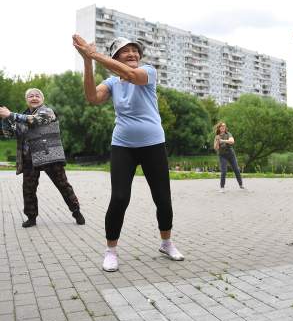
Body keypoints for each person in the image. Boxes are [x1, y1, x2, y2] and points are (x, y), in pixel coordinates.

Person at [73, 35, 184, 272]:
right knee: (120, 197)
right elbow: (93, 98)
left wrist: (94, 54)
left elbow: (133, 76)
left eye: (135, 51)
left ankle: (166, 243)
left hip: (153, 144)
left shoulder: (148, 72)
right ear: (115, 57)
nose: (132, 54)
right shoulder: (112, 83)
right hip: (123, 146)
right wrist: (86, 61)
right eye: (126, 51)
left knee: (162, 198)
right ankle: (111, 250)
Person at [0, 88, 84, 228]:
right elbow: (9, 134)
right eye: (30, 96)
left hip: (49, 155)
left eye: (37, 96)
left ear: (42, 99)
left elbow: (34, 121)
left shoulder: (47, 111)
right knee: (28, 189)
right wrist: (4, 118)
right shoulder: (21, 117)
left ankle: (76, 212)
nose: (34, 98)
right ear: (27, 100)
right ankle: (31, 217)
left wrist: (10, 114)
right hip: (29, 158)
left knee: (63, 185)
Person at [213, 122, 244, 192]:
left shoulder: (228, 134)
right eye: (222, 126)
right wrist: (218, 141)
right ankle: (222, 187)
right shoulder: (217, 136)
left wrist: (222, 140)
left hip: (231, 154)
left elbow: (232, 141)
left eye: (224, 126)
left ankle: (241, 185)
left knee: (236, 169)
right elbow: (216, 148)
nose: (223, 127)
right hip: (222, 155)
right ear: (219, 128)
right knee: (224, 171)